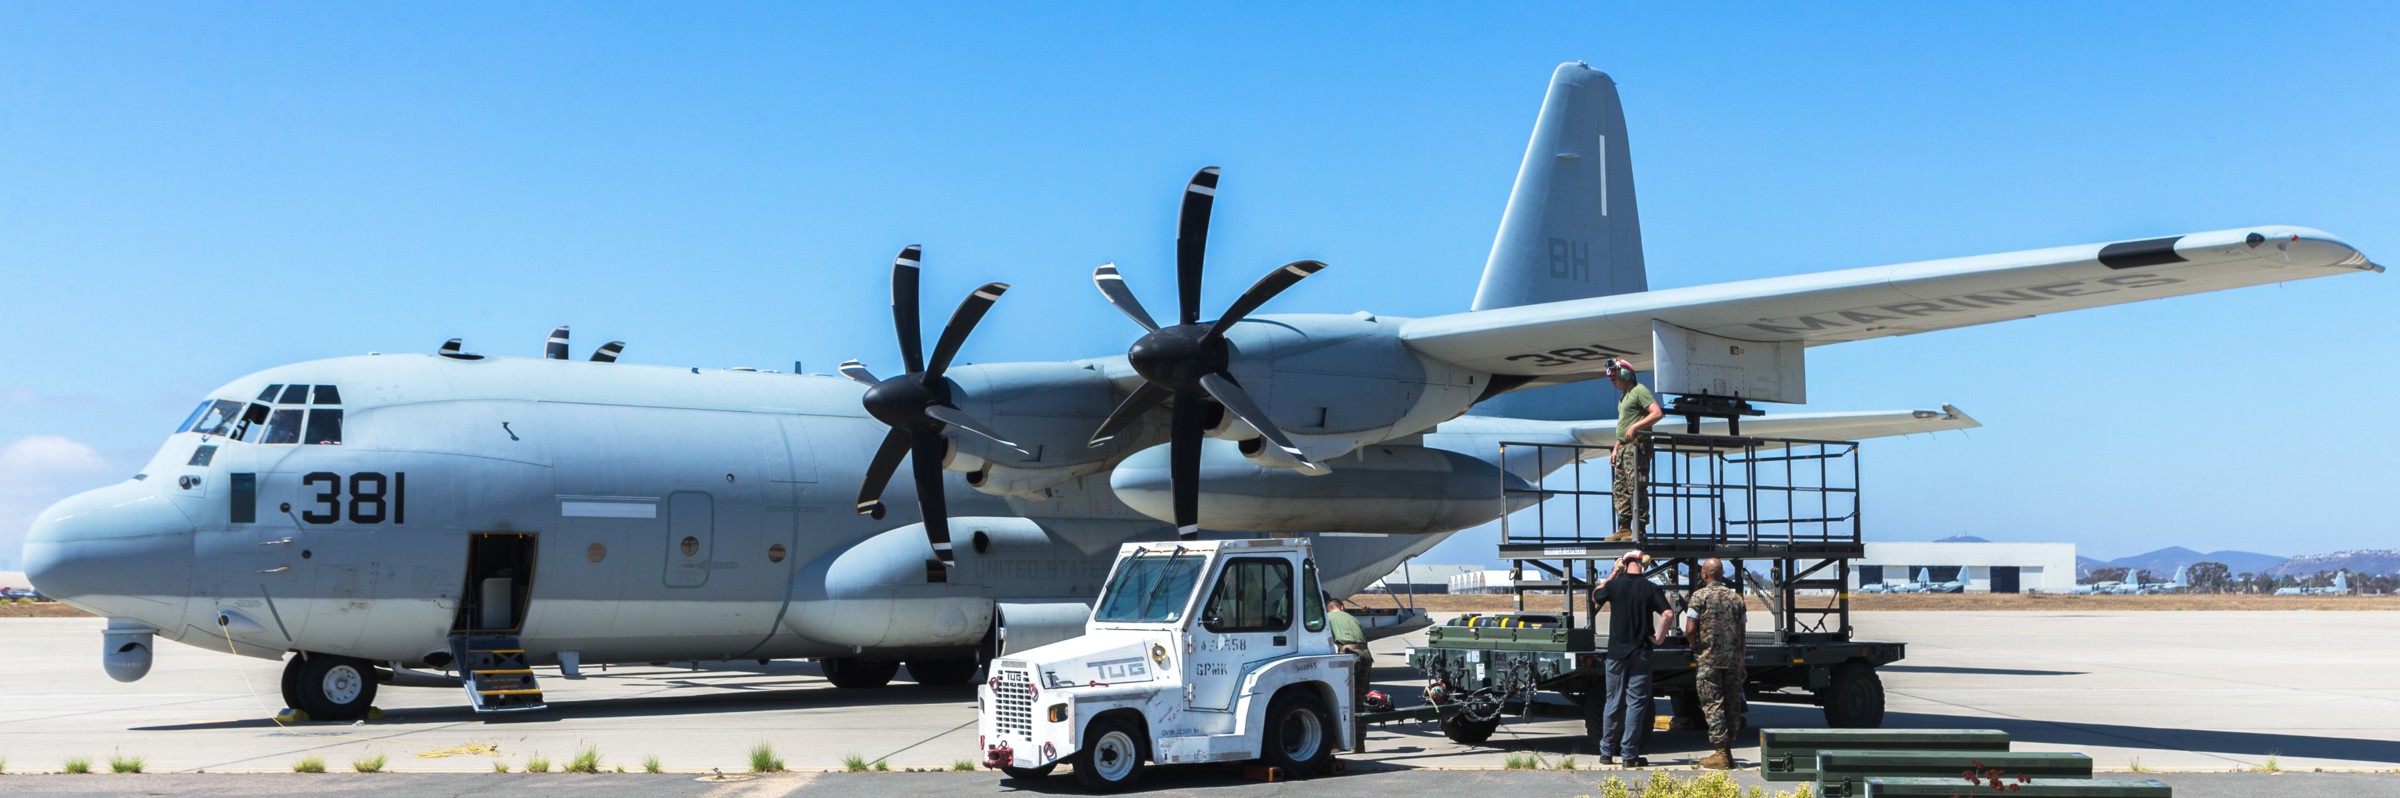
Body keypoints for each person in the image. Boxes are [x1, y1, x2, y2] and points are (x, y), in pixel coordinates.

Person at [1588, 550, 1674, 767]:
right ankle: (1629, 755)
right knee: (1635, 704)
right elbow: (1668, 614)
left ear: (1624, 564)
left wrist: (1613, 573)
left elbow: (1595, 596)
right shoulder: (1650, 588)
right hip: (1641, 652)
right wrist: (1659, 638)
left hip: (1616, 654)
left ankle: (1606, 753)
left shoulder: (1615, 585)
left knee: (1612, 702)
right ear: (1643, 564)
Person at [1684, 558, 1747, 769]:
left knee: (1713, 705)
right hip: (1731, 661)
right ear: (1721, 574)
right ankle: (1727, 752)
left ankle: (1720, 753)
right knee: (1732, 705)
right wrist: (1741, 661)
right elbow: (1742, 633)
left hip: (1709, 660)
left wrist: (1696, 647)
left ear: (1704, 574)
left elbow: (1690, 629)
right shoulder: (1736, 598)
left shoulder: (1699, 596)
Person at [1606, 359, 1665, 543]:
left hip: (1637, 447)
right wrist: (1616, 448)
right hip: (1624, 449)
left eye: (1616, 378)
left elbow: (1656, 413)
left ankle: (1639, 529)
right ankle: (1624, 528)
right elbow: (1623, 426)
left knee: (1636, 487)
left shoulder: (1640, 391)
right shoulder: (1624, 397)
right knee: (1620, 489)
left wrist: (1636, 427)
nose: (1614, 382)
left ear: (1625, 375)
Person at [1325, 596, 1371, 753]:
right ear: (1342, 607)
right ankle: (1359, 744)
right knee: (1359, 701)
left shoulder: (1328, 618)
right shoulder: (1352, 618)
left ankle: (1335, 744)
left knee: (1338, 700)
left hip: (1350, 655)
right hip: (1365, 655)